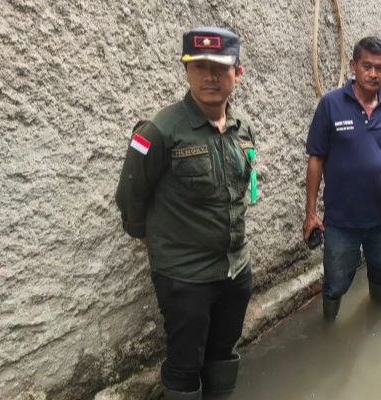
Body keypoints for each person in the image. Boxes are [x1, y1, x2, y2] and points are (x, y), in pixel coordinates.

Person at [115, 27, 256, 399]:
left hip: (235, 268)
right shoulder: (160, 130)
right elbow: (131, 193)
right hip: (185, 277)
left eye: (219, 67)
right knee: (184, 366)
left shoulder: (243, 130)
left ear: (237, 73)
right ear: (186, 71)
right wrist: (147, 236)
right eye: (199, 66)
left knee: (223, 352)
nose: (209, 76)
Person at [303, 37, 381, 321]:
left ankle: (379, 321)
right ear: (353, 66)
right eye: (367, 66)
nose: (373, 74)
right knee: (335, 283)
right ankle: (329, 331)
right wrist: (311, 213)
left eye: (380, 67)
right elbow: (316, 159)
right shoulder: (330, 104)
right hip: (341, 221)